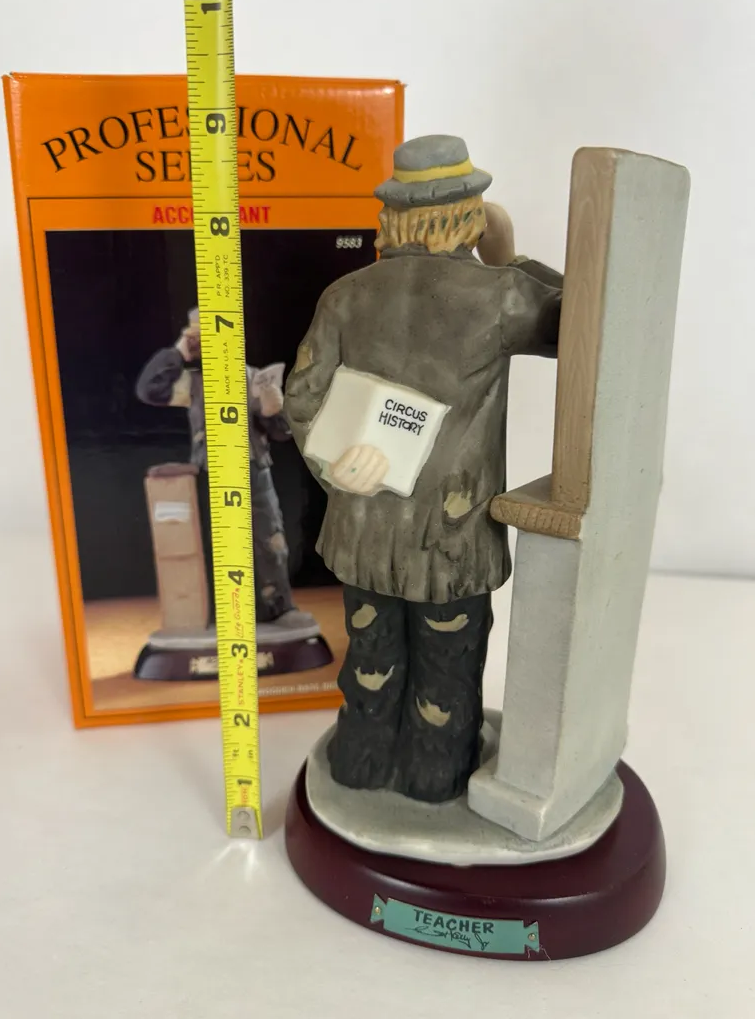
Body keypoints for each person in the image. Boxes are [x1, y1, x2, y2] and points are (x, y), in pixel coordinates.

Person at [284, 134, 563, 803]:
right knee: (445, 666)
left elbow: (301, 398)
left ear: (392, 216)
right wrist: (508, 250)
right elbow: (582, 325)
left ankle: (361, 761)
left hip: (362, 529)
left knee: (371, 657)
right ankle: (434, 777)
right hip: (450, 534)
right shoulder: (501, 295)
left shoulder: (345, 294)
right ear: (470, 214)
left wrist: (335, 466)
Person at [136, 308, 296, 625]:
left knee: (270, 541)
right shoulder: (192, 383)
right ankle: (217, 613)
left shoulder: (255, 378)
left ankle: (277, 607)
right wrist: (179, 353)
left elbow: (282, 432)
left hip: (253, 470)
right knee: (212, 545)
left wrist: (273, 411)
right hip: (210, 473)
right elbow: (150, 390)